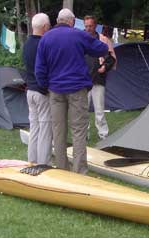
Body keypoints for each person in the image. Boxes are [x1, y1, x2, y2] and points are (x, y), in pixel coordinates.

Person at [35, 8, 108, 174]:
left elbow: (39, 68)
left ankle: (61, 169)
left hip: (55, 90)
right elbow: (102, 49)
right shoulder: (78, 35)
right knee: (78, 130)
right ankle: (79, 170)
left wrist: (46, 86)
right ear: (72, 21)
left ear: (57, 20)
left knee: (58, 131)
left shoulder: (46, 38)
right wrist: (102, 40)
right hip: (77, 89)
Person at [23, 13, 51, 165]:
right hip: (41, 91)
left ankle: (31, 160)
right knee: (45, 129)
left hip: (30, 91)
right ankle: (43, 163)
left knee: (34, 128)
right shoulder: (44, 44)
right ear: (45, 27)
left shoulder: (27, 44)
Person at [84, 15, 117, 140]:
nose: (88, 28)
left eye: (90, 26)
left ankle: (103, 134)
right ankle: (83, 134)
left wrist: (105, 67)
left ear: (95, 26)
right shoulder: (80, 39)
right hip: (83, 80)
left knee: (99, 110)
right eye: (86, 26)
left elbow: (111, 58)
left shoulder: (102, 40)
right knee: (83, 110)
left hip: (98, 79)